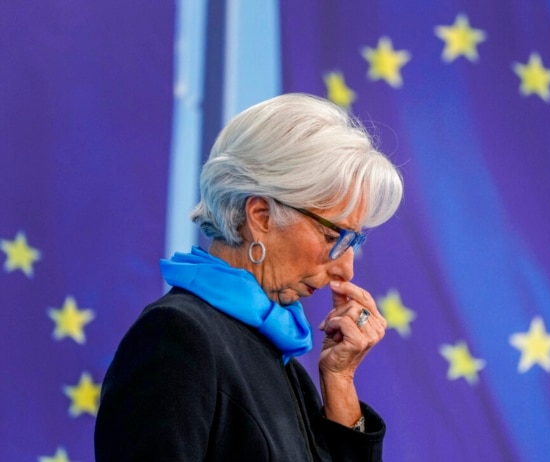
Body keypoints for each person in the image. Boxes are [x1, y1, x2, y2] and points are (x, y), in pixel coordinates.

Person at [94, 93, 404, 461]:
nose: (346, 268)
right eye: (333, 236)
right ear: (261, 216)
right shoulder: (176, 336)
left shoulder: (278, 356)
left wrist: (339, 382)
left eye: (354, 241)